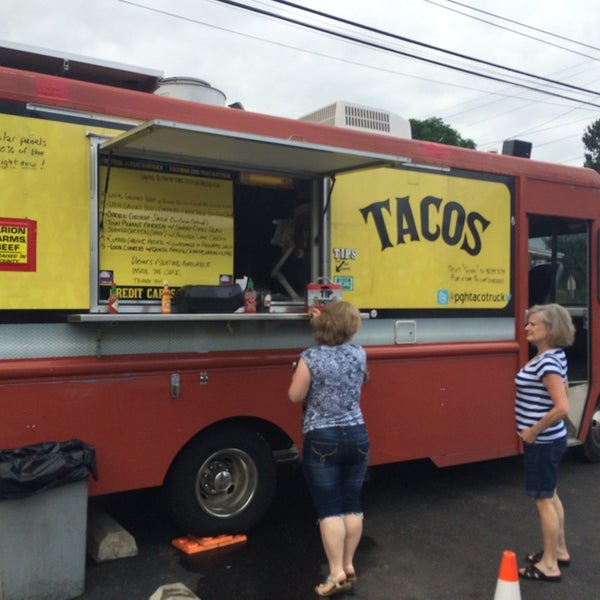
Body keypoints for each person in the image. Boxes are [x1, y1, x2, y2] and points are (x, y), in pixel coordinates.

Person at [288, 301, 369, 597]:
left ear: (323, 325)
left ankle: (334, 573)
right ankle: (348, 565)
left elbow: (295, 396)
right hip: (357, 435)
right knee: (352, 505)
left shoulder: (310, 358)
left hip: (323, 438)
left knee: (329, 510)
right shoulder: (359, 354)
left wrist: (319, 324)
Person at [515, 303, 575, 583]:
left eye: (534, 323)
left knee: (543, 500)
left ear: (550, 329)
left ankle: (549, 564)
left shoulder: (548, 361)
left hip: (543, 441)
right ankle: (558, 550)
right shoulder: (554, 356)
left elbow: (562, 407)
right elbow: (563, 387)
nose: (527, 327)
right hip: (552, 439)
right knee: (550, 495)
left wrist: (533, 431)